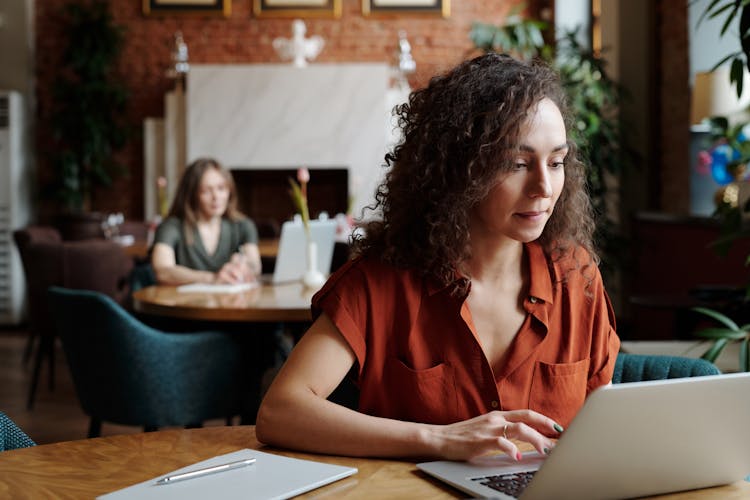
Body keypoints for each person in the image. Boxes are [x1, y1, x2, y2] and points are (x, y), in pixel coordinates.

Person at [256, 53, 620, 462]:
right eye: (517, 164)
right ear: (460, 170)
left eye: (556, 162)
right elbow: (279, 412)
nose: (544, 186)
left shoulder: (575, 274)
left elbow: (601, 425)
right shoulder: (380, 282)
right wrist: (438, 440)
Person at [151, 158, 262, 285]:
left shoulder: (243, 225)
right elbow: (163, 271)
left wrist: (245, 267)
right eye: (206, 190)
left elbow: (255, 266)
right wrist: (212, 278)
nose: (216, 197)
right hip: (185, 302)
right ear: (192, 194)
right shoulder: (171, 227)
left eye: (221, 188)